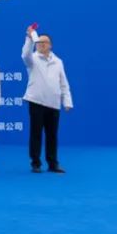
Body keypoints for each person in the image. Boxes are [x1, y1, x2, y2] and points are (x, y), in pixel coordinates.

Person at [22, 28, 73, 174]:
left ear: (50, 45)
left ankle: (53, 163)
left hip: (53, 103)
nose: (42, 44)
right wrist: (29, 38)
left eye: (45, 42)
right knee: (36, 133)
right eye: (39, 42)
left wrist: (67, 101)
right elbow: (25, 55)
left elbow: (63, 83)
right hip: (36, 101)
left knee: (52, 135)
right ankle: (36, 163)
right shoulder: (32, 59)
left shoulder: (58, 62)